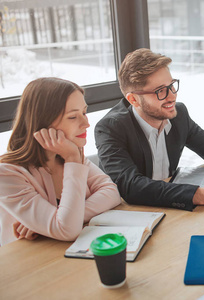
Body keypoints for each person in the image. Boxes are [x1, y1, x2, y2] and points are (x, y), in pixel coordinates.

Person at [95, 48, 204, 211]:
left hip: (171, 206)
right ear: (133, 99)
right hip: (130, 214)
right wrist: (202, 195)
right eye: (160, 91)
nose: (172, 96)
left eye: (172, 85)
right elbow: (131, 186)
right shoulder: (110, 128)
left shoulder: (178, 114)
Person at [0, 78, 121, 246]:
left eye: (84, 113)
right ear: (42, 123)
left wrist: (58, 218)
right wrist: (60, 221)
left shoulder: (70, 156)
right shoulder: (7, 174)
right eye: (73, 117)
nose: (86, 124)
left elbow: (112, 193)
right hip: (32, 265)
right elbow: (67, 229)